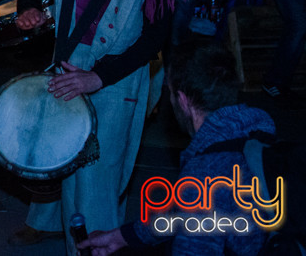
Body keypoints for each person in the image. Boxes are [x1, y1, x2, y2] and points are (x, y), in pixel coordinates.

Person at [10, 0, 184, 251]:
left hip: (118, 77)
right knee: (62, 162)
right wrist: (29, 8)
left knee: (99, 182)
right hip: (66, 62)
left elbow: (156, 38)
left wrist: (98, 76)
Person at [78, 41, 273, 256]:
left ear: (182, 99)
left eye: (169, 93)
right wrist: (125, 236)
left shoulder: (203, 176)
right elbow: (189, 213)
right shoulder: (259, 128)